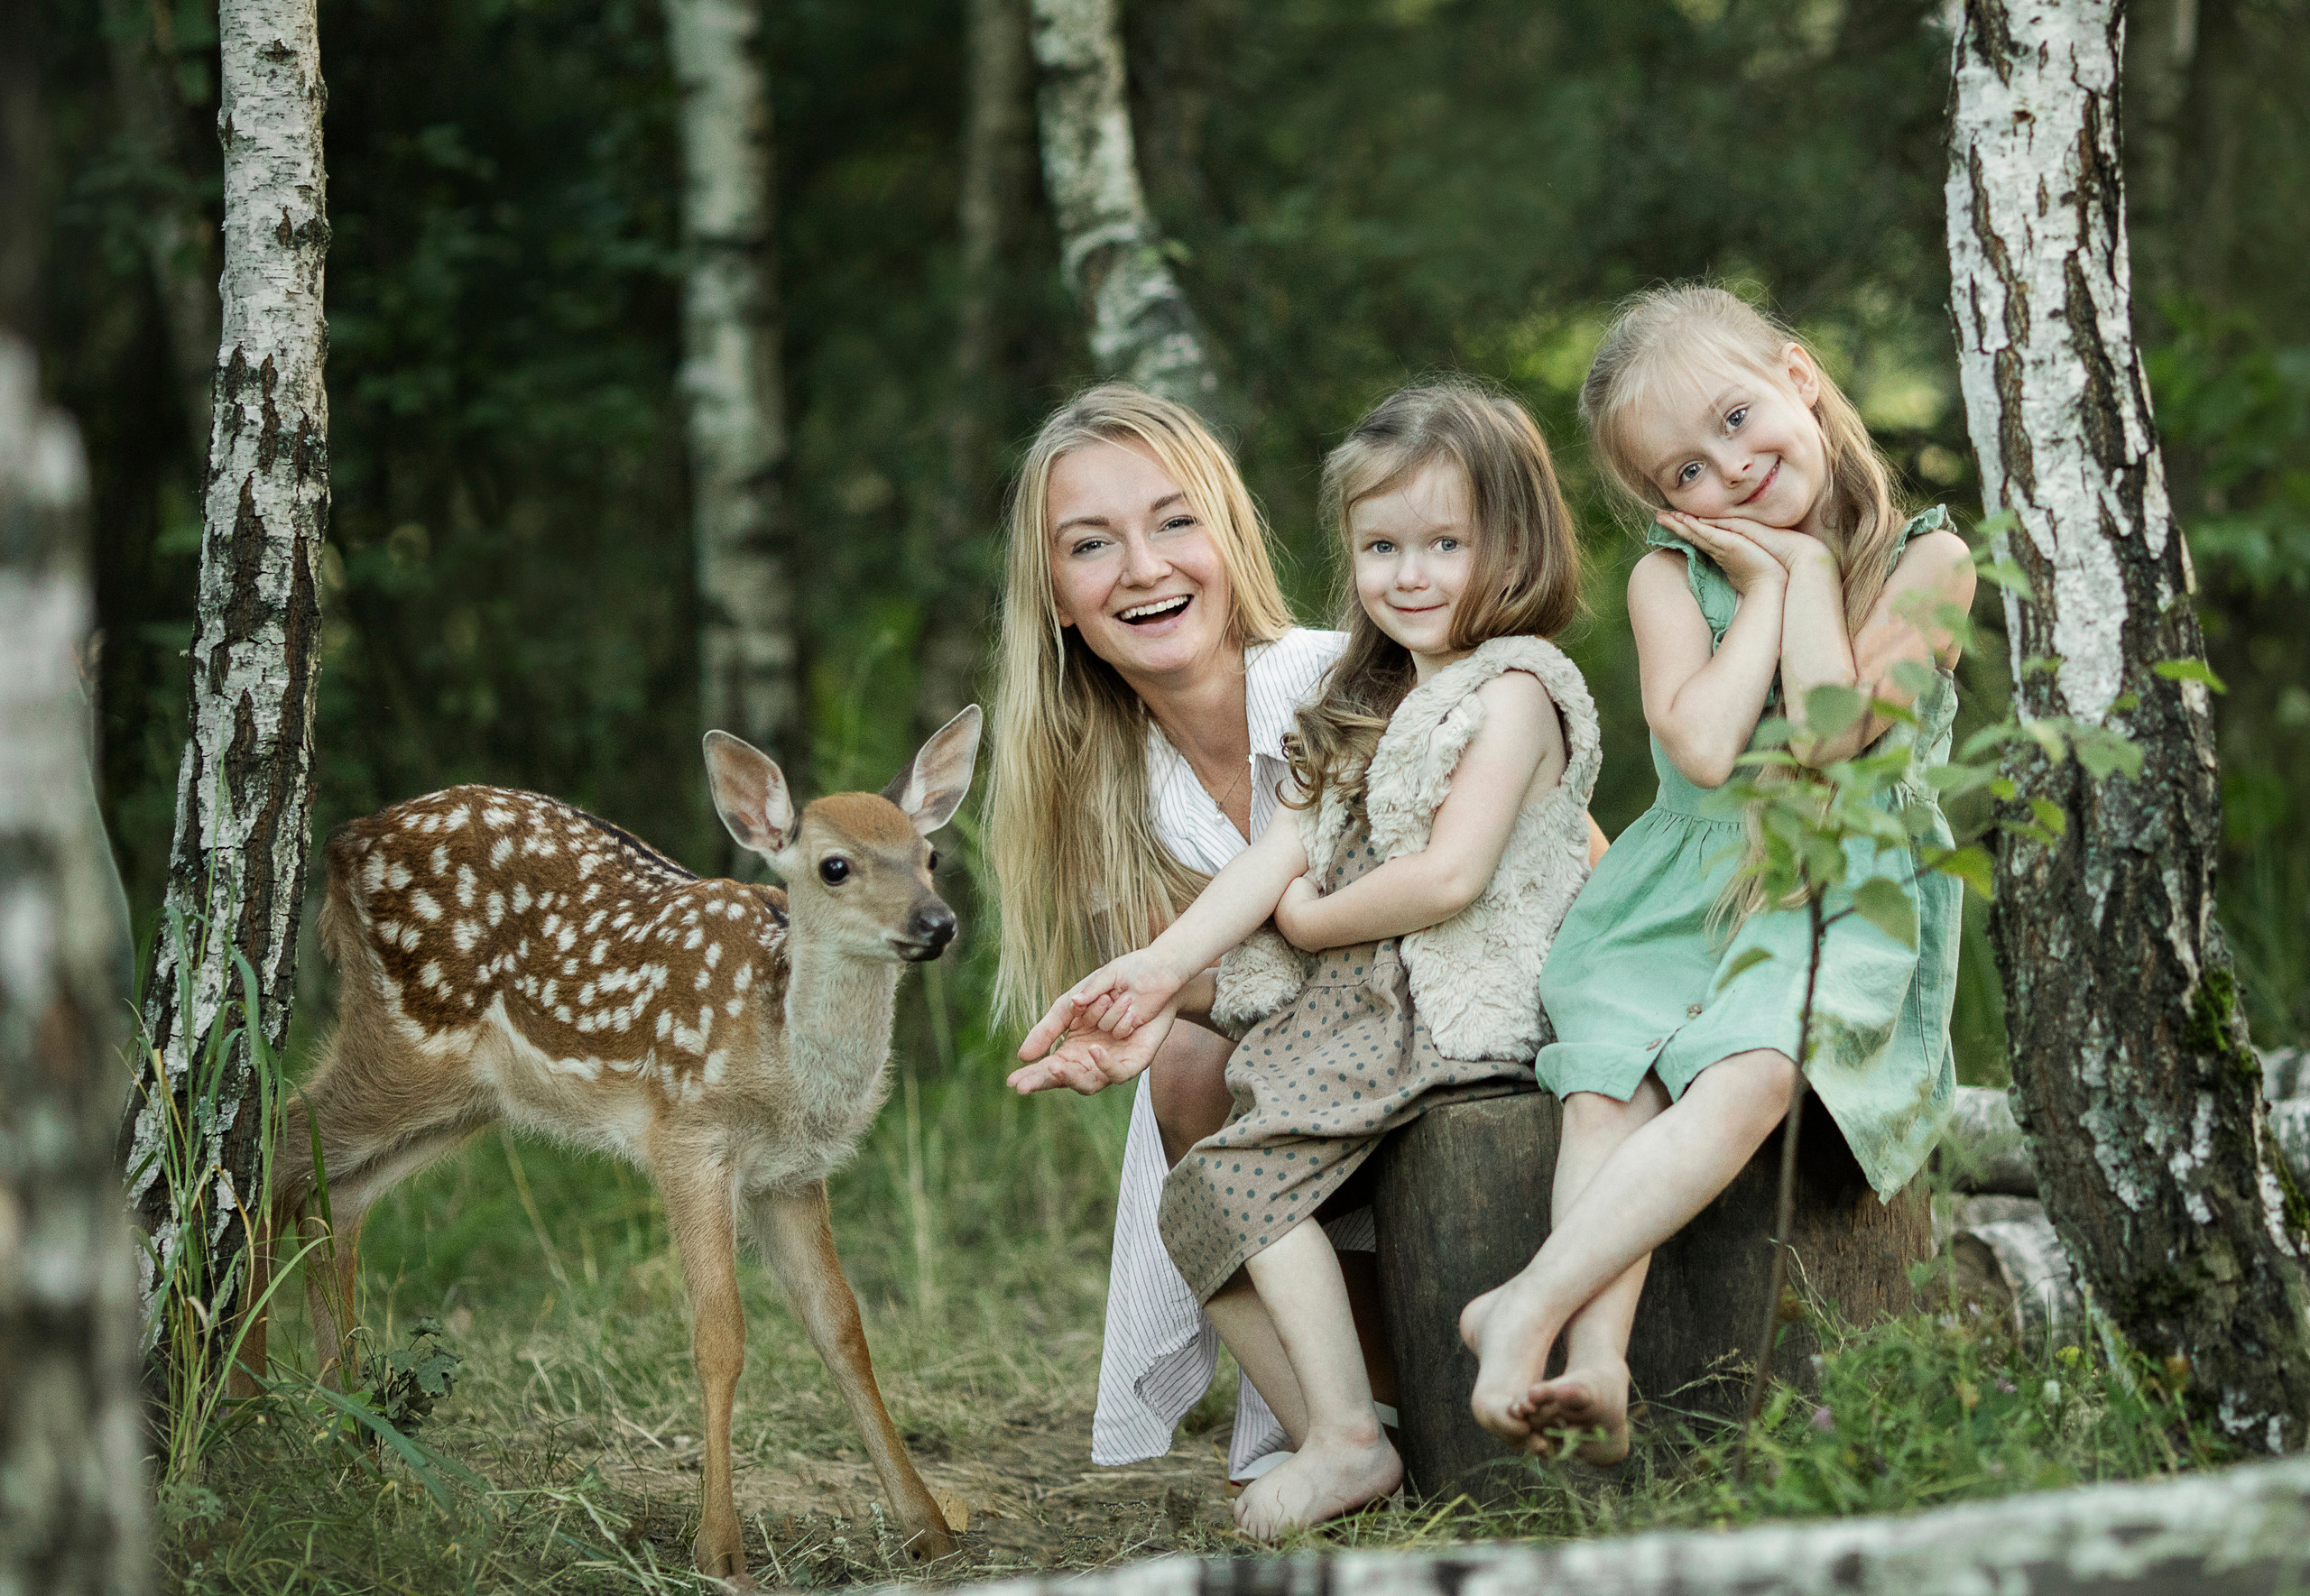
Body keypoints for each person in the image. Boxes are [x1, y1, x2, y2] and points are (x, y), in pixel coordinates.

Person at [1012, 381, 1601, 1537]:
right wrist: (1141, 986)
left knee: (1216, 1084)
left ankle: (1407, 1414)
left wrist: (1297, 923)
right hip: (1324, 1041)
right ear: (1055, 597)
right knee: (1192, 1098)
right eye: (1091, 544)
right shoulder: (1112, 783)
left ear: (1230, 535)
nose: (1141, 568)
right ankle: (1348, 1428)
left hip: (1455, 1011)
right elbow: (1243, 923)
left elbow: (1556, 856)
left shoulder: (1401, 678)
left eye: (1173, 520)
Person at [1460, 283, 1976, 1465]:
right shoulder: (1668, 581)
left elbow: (1837, 732)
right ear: (1661, 505)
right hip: (1673, 896)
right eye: (1684, 471)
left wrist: (1803, 576)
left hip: (1828, 894)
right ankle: (1595, 1361)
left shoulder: (1929, 556)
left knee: (1749, 1075)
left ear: (1800, 377)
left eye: (1738, 419)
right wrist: (1767, 588)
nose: (1727, 471)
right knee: (1607, 1082)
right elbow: (1697, 746)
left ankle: (1525, 1303)